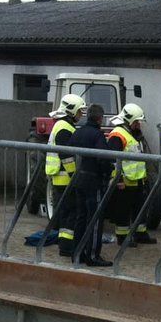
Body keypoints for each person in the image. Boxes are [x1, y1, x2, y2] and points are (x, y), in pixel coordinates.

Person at [68, 103, 113, 267]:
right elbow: (103, 158)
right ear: (100, 119)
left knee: (81, 217)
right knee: (95, 219)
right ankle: (92, 256)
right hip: (93, 181)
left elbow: (69, 150)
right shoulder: (97, 135)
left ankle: (77, 253)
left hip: (79, 179)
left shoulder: (78, 132)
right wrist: (107, 173)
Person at [106, 103, 156, 245]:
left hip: (137, 180)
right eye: (136, 122)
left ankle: (141, 234)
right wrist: (118, 179)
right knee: (123, 210)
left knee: (140, 208)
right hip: (125, 181)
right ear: (129, 121)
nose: (138, 125)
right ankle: (122, 238)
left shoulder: (132, 134)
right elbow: (113, 160)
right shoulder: (117, 135)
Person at [44, 94, 86, 257]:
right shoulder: (64, 127)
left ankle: (65, 244)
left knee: (66, 212)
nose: (81, 115)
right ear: (72, 111)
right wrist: (75, 174)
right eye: (79, 111)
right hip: (65, 178)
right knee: (71, 212)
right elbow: (66, 155)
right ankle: (67, 247)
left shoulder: (62, 125)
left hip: (61, 177)